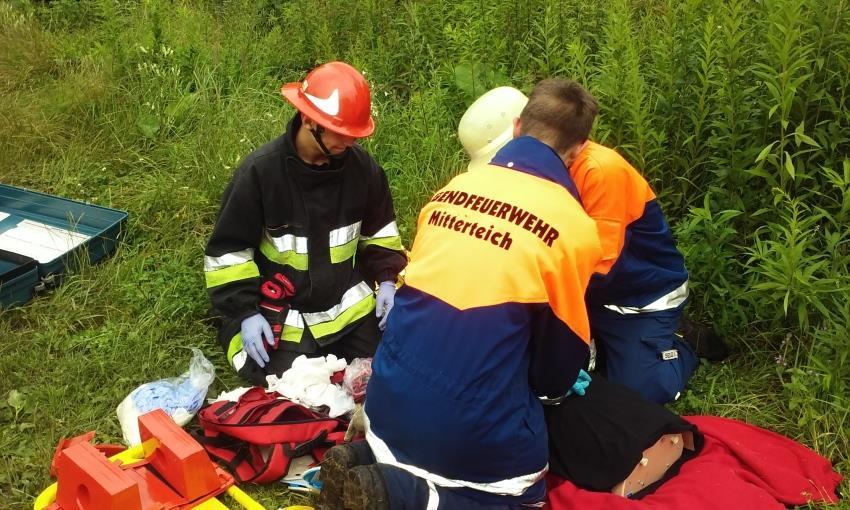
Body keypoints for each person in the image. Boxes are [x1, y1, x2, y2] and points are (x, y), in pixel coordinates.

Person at [317, 80, 604, 509]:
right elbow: (554, 375)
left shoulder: (449, 193)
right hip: (467, 433)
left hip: (385, 402)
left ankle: (365, 456)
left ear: (517, 124)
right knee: (521, 490)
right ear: (579, 149)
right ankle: (404, 496)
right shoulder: (574, 227)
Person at [513, 79, 729, 404]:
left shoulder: (601, 173)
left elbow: (598, 267)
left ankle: (682, 343)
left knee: (638, 393)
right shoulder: (520, 159)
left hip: (639, 298)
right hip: (587, 294)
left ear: (578, 148)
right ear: (516, 128)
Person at [203, 61, 407, 386]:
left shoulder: (363, 171)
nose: (349, 144)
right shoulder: (261, 173)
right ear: (309, 120)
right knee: (284, 383)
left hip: (345, 309)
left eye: (353, 135)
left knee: (393, 363)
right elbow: (228, 251)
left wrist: (386, 281)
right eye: (341, 134)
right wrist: (246, 312)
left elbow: (379, 232)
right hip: (282, 309)